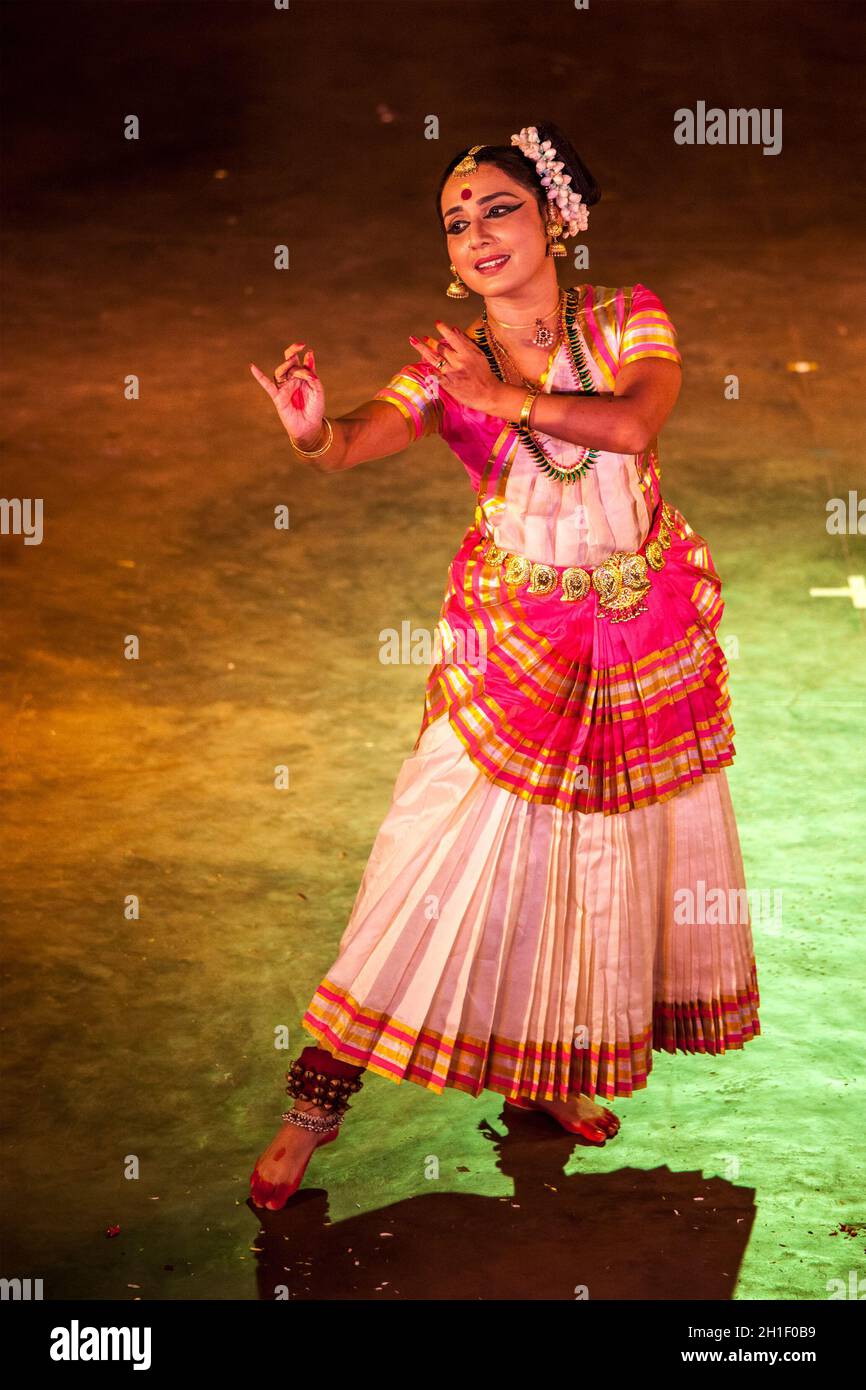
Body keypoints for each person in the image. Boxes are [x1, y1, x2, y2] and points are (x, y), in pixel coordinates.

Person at [248, 122, 760, 1213]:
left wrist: (501, 400)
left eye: (498, 208)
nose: (476, 233)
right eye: (456, 221)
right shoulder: (444, 364)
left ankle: (550, 1071)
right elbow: (356, 439)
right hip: (515, 644)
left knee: (592, 866)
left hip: (636, 632)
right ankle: (310, 1109)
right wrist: (310, 437)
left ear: (554, 218)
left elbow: (631, 424)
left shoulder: (628, 316)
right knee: (423, 865)